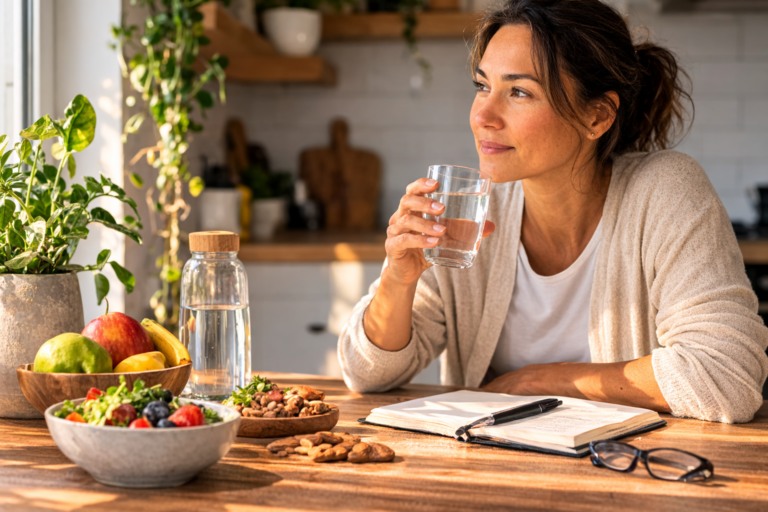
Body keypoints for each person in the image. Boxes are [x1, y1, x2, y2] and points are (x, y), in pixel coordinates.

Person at [338, 0, 768, 423]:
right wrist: (399, 278)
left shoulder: (664, 190)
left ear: (596, 116)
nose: (483, 115)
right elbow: (367, 374)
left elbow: (727, 376)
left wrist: (540, 380)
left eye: (519, 92)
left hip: (630, 473)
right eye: (482, 86)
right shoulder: (468, 214)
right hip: (490, 472)